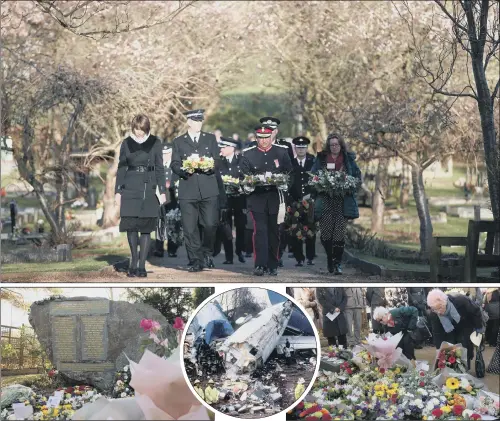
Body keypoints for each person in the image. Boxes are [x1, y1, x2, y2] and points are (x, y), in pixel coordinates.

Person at [170, 109, 226, 272]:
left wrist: (210, 167)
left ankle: (206, 252)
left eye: (200, 121)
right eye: (195, 121)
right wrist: (182, 170)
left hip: (208, 189)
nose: (198, 124)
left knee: (210, 224)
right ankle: (195, 260)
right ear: (188, 122)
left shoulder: (209, 139)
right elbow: (174, 163)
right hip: (188, 189)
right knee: (189, 228)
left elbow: (217, 160)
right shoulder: (179, 141)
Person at [114, 114, 167, 277]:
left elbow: (159, 168)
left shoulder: (155, 142)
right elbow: (122, 167)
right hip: (129, 187)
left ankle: (142, 266)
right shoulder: (126, 143)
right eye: (136, 129)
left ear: (147, 128)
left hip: (148, 188)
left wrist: (162, 191)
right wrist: (117, 191)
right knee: (131, 226)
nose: (139, 132)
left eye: (142, 129)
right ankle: (134, 262)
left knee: (145, 228)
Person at [240, 124, 293, 276]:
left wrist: (284, 183)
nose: (263, 141)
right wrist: (250, 182)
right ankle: (260, 265)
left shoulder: (281, 152)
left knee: (274, 231)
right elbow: (243, 175)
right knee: (260, 231)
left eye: (266, 138)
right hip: (257, 198)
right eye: (260, 138)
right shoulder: (248, 154)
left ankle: (273, 264)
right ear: (256, 138)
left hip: (275, 197)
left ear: (271, 137)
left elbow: (289, 172)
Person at [311, 133, 361, 274]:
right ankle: (330, 259)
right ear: (329, 145)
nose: (334, 147)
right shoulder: (321, 158)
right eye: (332, 144)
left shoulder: (348, 159)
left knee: (339, 234)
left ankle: (337, 263)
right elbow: (313, 175)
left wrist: (350, 185)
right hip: (325, 200)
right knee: (326, 234)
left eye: (337, 144)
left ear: (341, 145)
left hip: (342, 201)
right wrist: (319, 183)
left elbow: (357, 177)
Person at [427, 289, 484, 370]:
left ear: (444, 301)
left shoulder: (461, 301)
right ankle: (453, 370)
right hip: (448, 330)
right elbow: (437, 334)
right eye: (435, 309)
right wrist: (438, 351)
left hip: (465, 324)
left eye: (439, 308)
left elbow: (476, 311)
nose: (438, 312)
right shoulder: (434, 314)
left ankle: (464, 369)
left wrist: (478, 327)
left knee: (463, 345)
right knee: (450, 347)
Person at [213, 137, 246, 264]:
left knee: (241, 226)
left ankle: (240, 251)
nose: (221, 149)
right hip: (224, 199)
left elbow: (246, 177)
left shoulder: (241, 160)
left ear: (232, 148)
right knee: (225, 227)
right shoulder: (218, 162)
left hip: (239, 198)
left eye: (224, 147)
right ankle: (229, 256)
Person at [289, 136, 316, 267]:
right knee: (296, 231)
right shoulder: (291, 163)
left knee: (310, 229)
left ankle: (311, 256)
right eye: (298, 147)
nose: (301, 150)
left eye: (303, 147)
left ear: (306, 148)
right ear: (295, 148)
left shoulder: (313, 162)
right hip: (295, 201)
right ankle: (299, 258)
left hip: (309, 201)